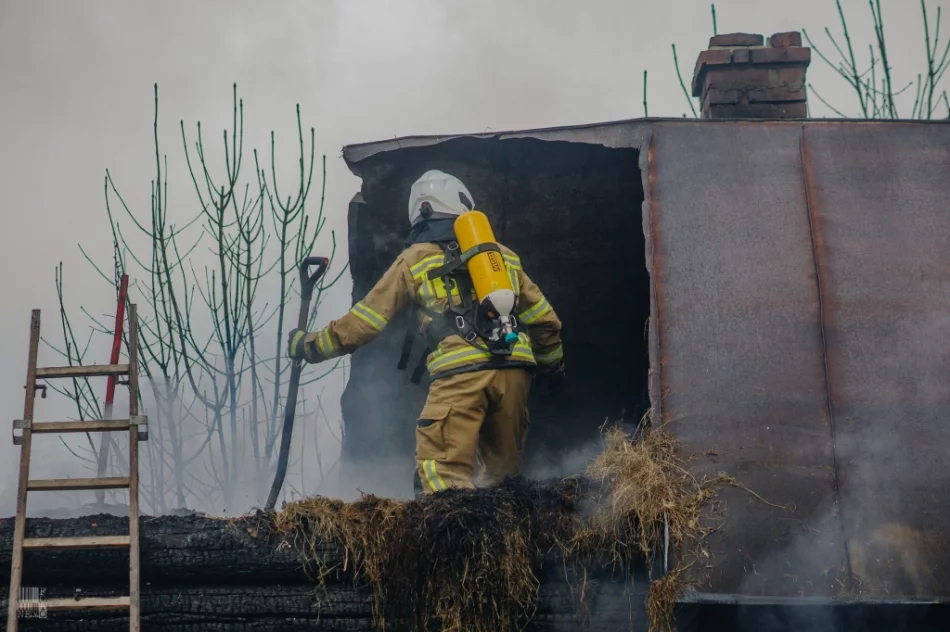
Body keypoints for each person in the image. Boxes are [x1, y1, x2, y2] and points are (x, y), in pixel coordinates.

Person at [287, 169, 564, 494]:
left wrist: (310, 346)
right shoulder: (503, 257)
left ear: (420, 211)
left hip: (460, 372)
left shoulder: (414, 259)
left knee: (443, 480)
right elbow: (546, 321)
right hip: (515, 372)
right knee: (504, 484)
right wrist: (551, 373)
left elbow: (364, 322)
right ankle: (503, 526)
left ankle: (453, 529)